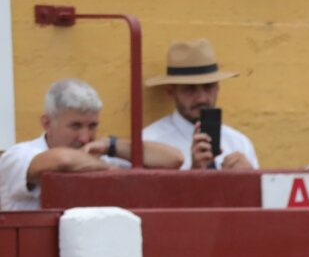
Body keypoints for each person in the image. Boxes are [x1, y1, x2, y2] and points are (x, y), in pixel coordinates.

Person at [0, 79, 184, 211]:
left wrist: (111, 144)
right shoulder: (18, 155)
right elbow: (62, 160)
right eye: (75, 126)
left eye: (92, 126)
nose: (85, 137)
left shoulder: (99, 154)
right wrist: (110, 170)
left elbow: (174, 159)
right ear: (47, 123)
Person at [143, 38, 259, 170]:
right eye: (190, 88)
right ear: (171, 91)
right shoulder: (149, 144)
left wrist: (248, 178)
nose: (202, 99)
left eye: (208, 86)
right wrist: (194, 174)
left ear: (217, 88)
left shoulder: (239, 144)